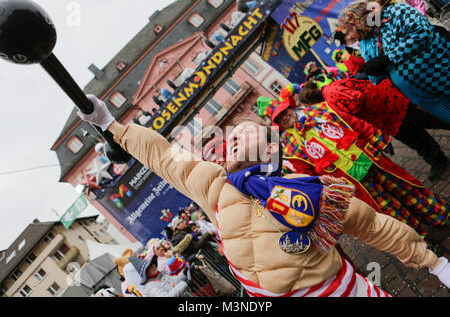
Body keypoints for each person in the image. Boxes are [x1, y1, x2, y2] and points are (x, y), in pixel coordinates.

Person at [77, 94, 450, 297]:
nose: (231, 136)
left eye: (244, 131)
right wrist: (112, 125)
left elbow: (373, 226)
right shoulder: (214, 186)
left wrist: (434, 264)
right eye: (228, 138)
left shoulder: (306, 184)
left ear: (272, 145)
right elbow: (165, 158)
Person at [256, 93, 450, 244]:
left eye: (284, 111)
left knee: (407, 186)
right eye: (280, 118)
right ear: (278, 124)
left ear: (289, 107)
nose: (285, 117)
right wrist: (331, 192)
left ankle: (440, 214)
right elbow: (308, 174)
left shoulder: (321, 110)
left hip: (370, 160)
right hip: (352, 182)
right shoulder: (289, 147)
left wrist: (377, 139)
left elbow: (354, 123)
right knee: (387, 207)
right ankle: (421, 233)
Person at [298, 79, 450, 180]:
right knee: (414, 138)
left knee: (431, 120)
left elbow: (356, 100)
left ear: (311, 102)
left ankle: (438, 158)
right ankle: (438, 160)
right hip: (384, 115)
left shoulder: (330, 94)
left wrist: (348, 118)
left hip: (388, 106)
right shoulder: (327, 95)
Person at [336, 2, 449, 124]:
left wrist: (389, 57)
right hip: (425, 97)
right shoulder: (365, 43)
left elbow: (421, 31)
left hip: (440, 72)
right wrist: (372, 70)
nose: (348, 38)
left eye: (347, 32)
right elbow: (376, 78)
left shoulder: (395, 13)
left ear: (358, 22)